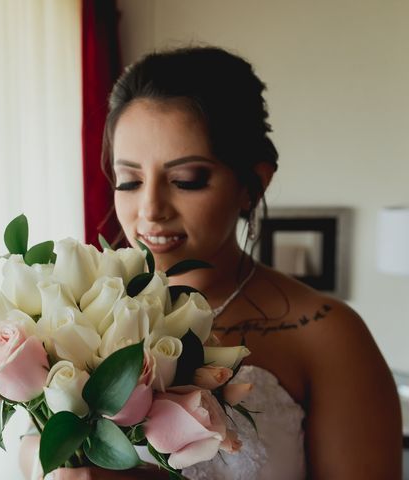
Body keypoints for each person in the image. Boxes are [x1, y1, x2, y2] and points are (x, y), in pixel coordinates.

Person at [21, 46, 403, 479]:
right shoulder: (70, 310)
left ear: (253, 183)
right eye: (129, 180)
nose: (150, 209)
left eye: (186, 180)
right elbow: (30, 446)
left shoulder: (327, 336)